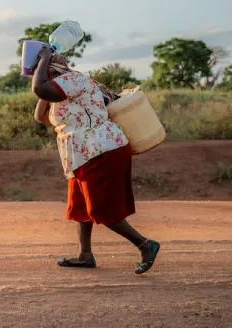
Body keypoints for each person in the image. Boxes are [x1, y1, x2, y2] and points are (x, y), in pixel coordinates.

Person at [30, 46, 160, 274]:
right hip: (81, 155)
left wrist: (42, 62)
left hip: (100, 150)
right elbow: (40, 116)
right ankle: (85, 254)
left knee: (100, 209)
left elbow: (40, 87)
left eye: (41, 69)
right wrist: (43, 74)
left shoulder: (74, 80)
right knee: (80, 206)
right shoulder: (58, 90)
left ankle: (145, 245)